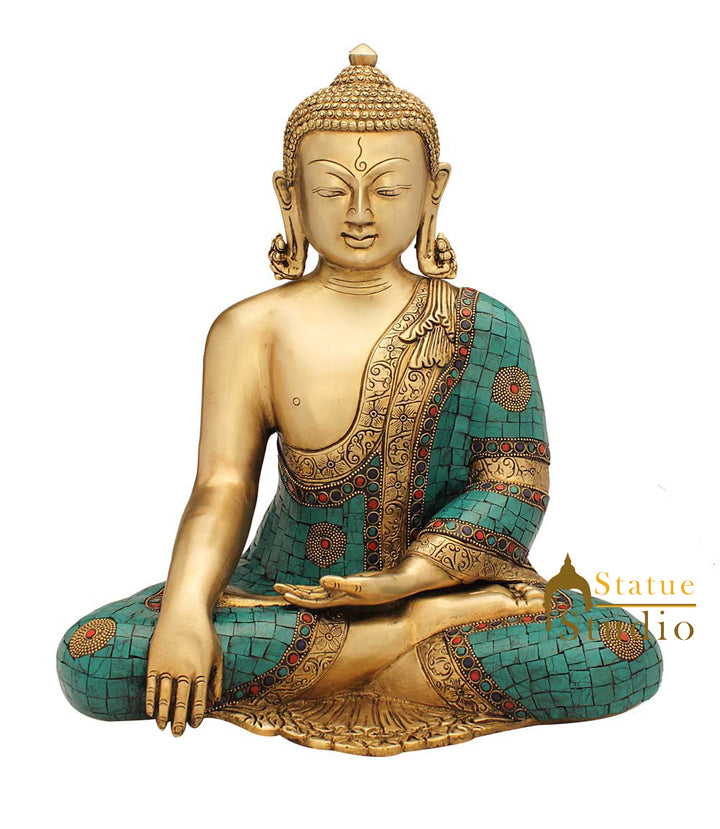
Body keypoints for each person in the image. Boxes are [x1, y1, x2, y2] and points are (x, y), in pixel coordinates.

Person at [57, 45, 662, 756]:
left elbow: (513, 484)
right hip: (283, 596)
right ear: (290, 194)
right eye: (332, 188)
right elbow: (221, 486)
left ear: (433, 191)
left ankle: (363, 649)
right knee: (95, 656)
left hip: (444, 589)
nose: (359, 214)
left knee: (620, 650)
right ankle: (399, 647)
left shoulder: (484, 325)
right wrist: (188, 609)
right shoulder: (249, 330)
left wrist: (407, 581)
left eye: (388, 188)